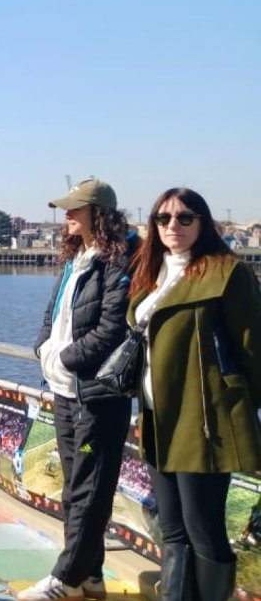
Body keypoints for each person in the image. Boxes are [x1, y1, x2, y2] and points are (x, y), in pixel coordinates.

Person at [128, 188, 261, 601]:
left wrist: (240, 412)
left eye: (185, 218)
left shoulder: (226, 273)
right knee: (172, 527)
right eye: (163, 219)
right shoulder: (151, 273)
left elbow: (253, 349)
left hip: (205, 422)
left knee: (203, 529)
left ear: (203, 223)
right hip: (156, 416)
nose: (174, 226)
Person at [18, 179, 134, 601]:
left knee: (89, 485)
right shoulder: (77, 258)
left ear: (98, 212)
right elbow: (54, 313)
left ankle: (65, 579)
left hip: (97, 396)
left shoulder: (120, 259)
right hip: (65, 392)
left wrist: (62, 359)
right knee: (74, 486)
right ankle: (91, 575)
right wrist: (44, 347)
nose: (65, 216)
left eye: (74, 209)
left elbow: (111, 329)